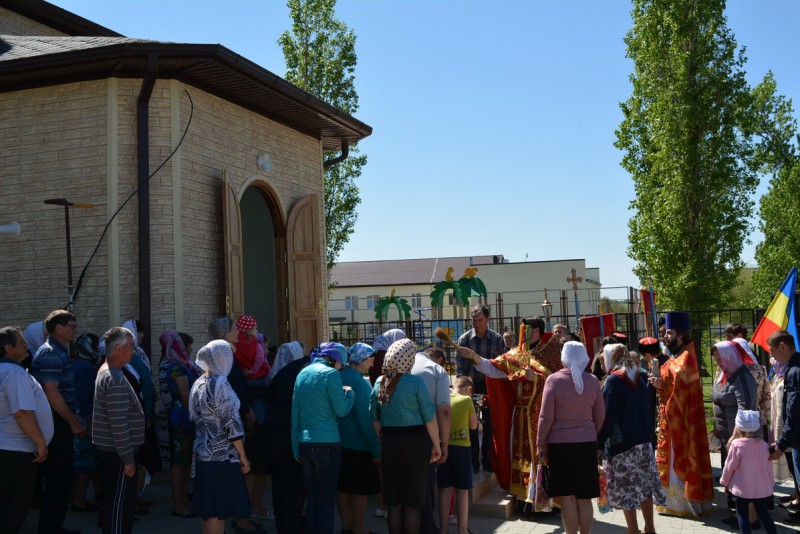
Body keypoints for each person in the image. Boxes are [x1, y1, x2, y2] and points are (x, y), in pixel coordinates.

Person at [456, 315, 561, 508]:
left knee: (540, 455)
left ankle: (545, 501)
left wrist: (536, 378)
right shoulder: (516, 354)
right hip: (520, 413)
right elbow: (494, 368)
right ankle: (523, 498)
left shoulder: (550, 352)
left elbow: (558, 381)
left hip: (542, 415)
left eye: (525, 329)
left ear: (536, 331)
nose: (522, 333)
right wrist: (473, 356)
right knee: (519, 454)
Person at [370, 338, 441, 534]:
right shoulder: (415, 382)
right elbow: (429, 417)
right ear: (409, 359)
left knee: (394, 501)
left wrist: (379, 441)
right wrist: (437, 445)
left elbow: (374, 418)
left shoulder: (380, 382)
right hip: (415, 444)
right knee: (413, 501)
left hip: (389, 443)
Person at [597, 344, 666, 534]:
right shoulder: (639, 375)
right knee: (644, 487)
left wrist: (599, 443)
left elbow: (608, 416)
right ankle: (650, 527)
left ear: (612, 359)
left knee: (627, 489)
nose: (602, 366)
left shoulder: (613, 380)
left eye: (603, 361)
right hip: (643, 442)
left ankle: (633, 530)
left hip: (622, 445)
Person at [537, 341, 604, 534]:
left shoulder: (554, 380)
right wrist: (592, 435)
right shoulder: (593, 381)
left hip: (560, 446)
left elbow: (545, 417)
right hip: (586, 444)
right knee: (585, 497)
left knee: (567, 497)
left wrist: (540, 443)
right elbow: (600, 416)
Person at [189, 340, 252, 534]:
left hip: (202, 453)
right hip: (221, 456)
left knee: (207, 509)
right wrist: (243, 456)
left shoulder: (199, 382)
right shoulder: (220, 383)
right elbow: (231, 423)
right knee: (217, 509)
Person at [31, 309, 85, 534]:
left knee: (60, 479)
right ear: (58, 328)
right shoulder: (51, 352)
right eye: (72, 326)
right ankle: (49, 529)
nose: (75, 330)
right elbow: (52, 393)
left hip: (57, 421)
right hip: (56, 422)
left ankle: (53, 527)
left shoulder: (57, 350)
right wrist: (73, 422)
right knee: (57, 479)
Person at [654, 311, 713, 516]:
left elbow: (681, 388)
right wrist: (661, 384)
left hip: (682, 419)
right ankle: (672, 502)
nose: (665, 336)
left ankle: (682, 504)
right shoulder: (678, 354)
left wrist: (663, 384)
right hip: (672, 417)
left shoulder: (686, 357)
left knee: (681, 456)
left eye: (669, 333)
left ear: (680, 334)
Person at [292, 342, 355, 534]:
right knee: (326, 499)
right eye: (341, 363)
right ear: (334, 359)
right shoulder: (331, 374)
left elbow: (295, 414)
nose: (341, 368)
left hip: (304, 443)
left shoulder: (302, 374)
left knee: (312, 498)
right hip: (328, 444)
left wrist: (295, 447)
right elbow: (341, 411)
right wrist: (349, 394)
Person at [92, 327, 145, 534]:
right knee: (118, 507)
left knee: (115, 503)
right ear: (117, 348)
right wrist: (128, 458)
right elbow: (118, 422)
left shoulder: (108, 371)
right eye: (130, 346)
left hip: (114, 452)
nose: (133, 351)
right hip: (118, 454)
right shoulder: (113, 377)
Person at [0, 325, 53, 533]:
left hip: (8, 450)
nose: (27, 344)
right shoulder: (14, 373)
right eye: (22, 341)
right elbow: (22, 412)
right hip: (16, 452)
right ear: (9, 348)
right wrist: (40, 443)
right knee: (13, 508)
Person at [711, 340, 758, 526]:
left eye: (721, 359)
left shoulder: (742, 377)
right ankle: (740, 514)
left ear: (730, 356)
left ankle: (751, 519)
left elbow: (745, 409)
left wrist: (735, 436)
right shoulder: (726, 374)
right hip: (728, 436)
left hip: (740, 438)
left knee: (745, 478)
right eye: (716, 359)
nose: (719, 363)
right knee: (737, 478)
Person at [337, 343, 381, 534]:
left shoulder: (338, 375)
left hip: (338, 440)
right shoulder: (359, 383)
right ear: (362, 360)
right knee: (359, 489)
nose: (372, 365)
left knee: (343, 487)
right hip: (358, 444)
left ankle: (346, 526)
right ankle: (358, 528)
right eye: (371, 360)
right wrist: (375, 449)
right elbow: (365, 420)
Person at [264, 341, 307, 534]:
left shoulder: (279, 374)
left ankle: (283, 525)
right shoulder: (299, 373)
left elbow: (269, 396)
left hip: (274, 434)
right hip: (290, 436)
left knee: (280, 486)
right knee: (293, 486)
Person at [457, 305, 505, 473]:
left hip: (490, 385)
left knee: (490, 424)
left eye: (480, 320)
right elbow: (460, 367)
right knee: (471, 424)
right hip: (470, 385)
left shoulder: (497, 339)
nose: (477, 324)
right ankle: (473, 462)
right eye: (474, 320)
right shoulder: (464, 339)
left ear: (487, 319)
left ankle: (488, 459)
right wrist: (464, 387)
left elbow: (502, 364)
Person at [158, 330, 199, 518]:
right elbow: (185, 394)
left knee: (184, 461)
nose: (190, 350)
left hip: (185, 415)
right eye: (188, 346)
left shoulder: (183, 365)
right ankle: (179, 504)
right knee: (179, 461)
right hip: (182, 417)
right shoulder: (177, 367)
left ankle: (183, 500)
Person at [411, 343, 451, 534]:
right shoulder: (436, 370)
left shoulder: (398, 367)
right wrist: (443, 445)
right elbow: (443, 411)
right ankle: (427, 527)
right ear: (438, 359)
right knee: (425, 486)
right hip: (424, 434)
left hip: (394, 436)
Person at [234, 316, 270, 520]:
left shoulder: (237, 347)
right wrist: (253, 372)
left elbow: (241, 363)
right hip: (255, 388)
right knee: (255, 468)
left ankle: (251, 508)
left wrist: (246, 372)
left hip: (247, 386)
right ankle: (246, 512)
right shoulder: (255, 344)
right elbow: (259, 362)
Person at [721, 409, 778, 534]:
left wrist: (725, 483)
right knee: (764, 515)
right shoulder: (764, 445)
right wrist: (770, 483)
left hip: (741, 489)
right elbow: (768, 467)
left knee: (742, 515)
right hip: (761, 490)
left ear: (739, 428)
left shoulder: (736, 445)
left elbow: (729, 467)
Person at [768, 331, 800, 525]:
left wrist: (781, 443)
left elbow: (793, 411)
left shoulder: (794, 371)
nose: (771, 355)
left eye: (772, 350)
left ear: (782, 346)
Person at [438, 376, 477, 534]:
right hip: (461, 448)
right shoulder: (466, 400)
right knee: (462, 490)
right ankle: (462, 530)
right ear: (469, 389)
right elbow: (473, 426)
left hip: (444, 447)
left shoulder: (443, 399)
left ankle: (443, 530)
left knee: (445, 490)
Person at [71, 333, 102, 513]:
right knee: (85, 463)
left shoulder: (74, 364)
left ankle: (79, 497)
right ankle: (79, 501)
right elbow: (86, 397)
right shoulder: (87, 369)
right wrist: (89, 421)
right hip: (84, 420)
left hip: (73, 418)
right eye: (95, 345)